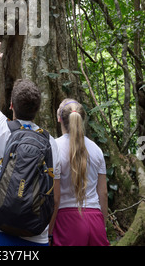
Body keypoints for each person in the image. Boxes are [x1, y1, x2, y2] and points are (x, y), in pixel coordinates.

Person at [0, 43, 61, 246]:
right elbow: (54, 197)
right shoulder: (50, 142)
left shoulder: (1, 128)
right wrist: (48, 234)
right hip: (36, 234)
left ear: (11, 105)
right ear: (38, 109)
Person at [52, 98, 110, 246]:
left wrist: (49, 231)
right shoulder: (96, 149)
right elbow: (103, 193)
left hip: (66, 220)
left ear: (59, 119)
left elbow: (55, 197)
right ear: (82, 119)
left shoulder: (54, 147)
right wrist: (103, 225)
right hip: (95, 218)